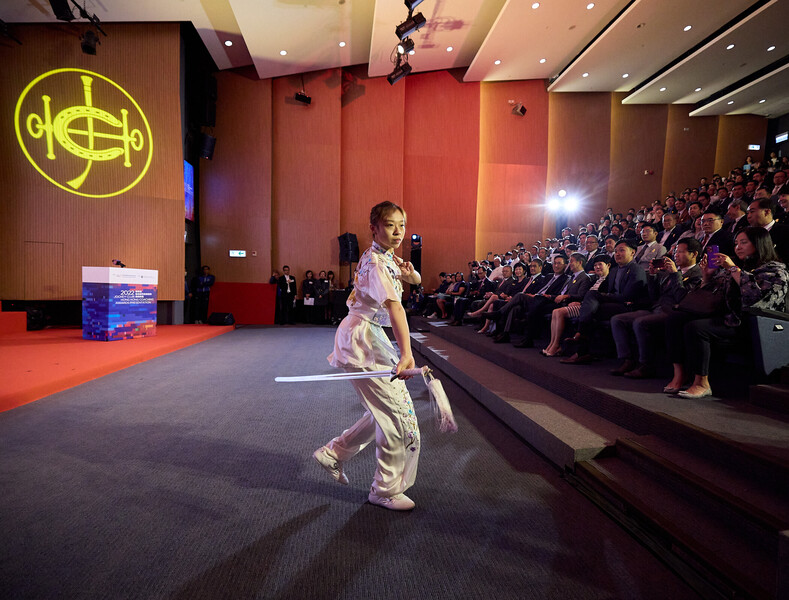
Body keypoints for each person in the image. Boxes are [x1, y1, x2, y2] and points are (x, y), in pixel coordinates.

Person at [315, 201, 423, 511]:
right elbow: (395, 307)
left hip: (367, 337)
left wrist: (411, 274)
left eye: (402, 225)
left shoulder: (386, 257)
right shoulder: (376, 263)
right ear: (373, 228)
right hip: (363, 340)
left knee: (388, 408)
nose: (398, 231)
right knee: (397, 417)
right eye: (390, 225)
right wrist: (407, 353)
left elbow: (411, 280)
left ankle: (335, 452)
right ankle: (384, 490)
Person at [663, 227, 789, 398]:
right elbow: (710, 295)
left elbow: (757, 298)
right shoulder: (739, 266)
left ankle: (702, 383)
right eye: (736, 243)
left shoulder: (776, 270)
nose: (738, 247)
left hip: (751, 324)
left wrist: (733, 269)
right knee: (675, 319)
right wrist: (707, 276)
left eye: (744, 242)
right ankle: (679, 374)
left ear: (760, 244)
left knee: (696, 327)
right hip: (725, 317)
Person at [542, 257, 611, 357]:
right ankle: (552, 343)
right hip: (584, 305)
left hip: (591, 308)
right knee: (555, 311)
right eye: (595, 265)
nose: (597, 267)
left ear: (608, 265)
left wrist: (579, 301)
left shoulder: (609, 279)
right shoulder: (595, 279)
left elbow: (596, 296)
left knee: (559, 312)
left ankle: (556, 344)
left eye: (600, 264)